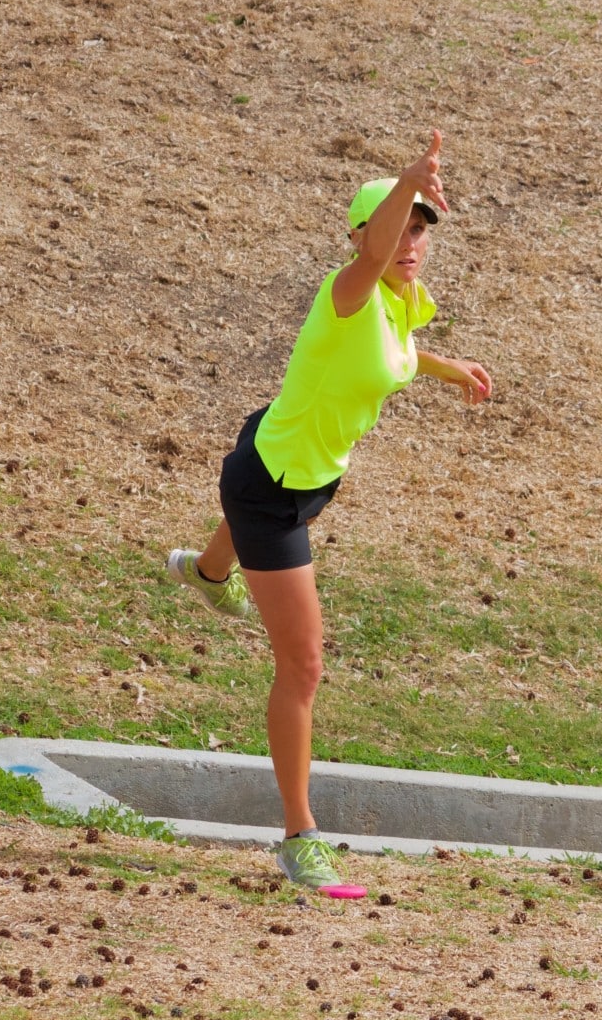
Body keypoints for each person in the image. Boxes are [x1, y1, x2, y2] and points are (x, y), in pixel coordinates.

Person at [165, 131, 491, 898]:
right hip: (271, 492)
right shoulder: (348, 289)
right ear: (359, 236)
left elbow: (402, 347)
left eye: (419, 227)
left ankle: (210, 572)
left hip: (292, 462)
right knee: (304, 665)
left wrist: (450, 369)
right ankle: (299, 837)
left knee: (251, 489)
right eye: (395, 224)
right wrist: (410, 180)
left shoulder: (399, 302)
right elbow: (372, 266)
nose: (408, 240)